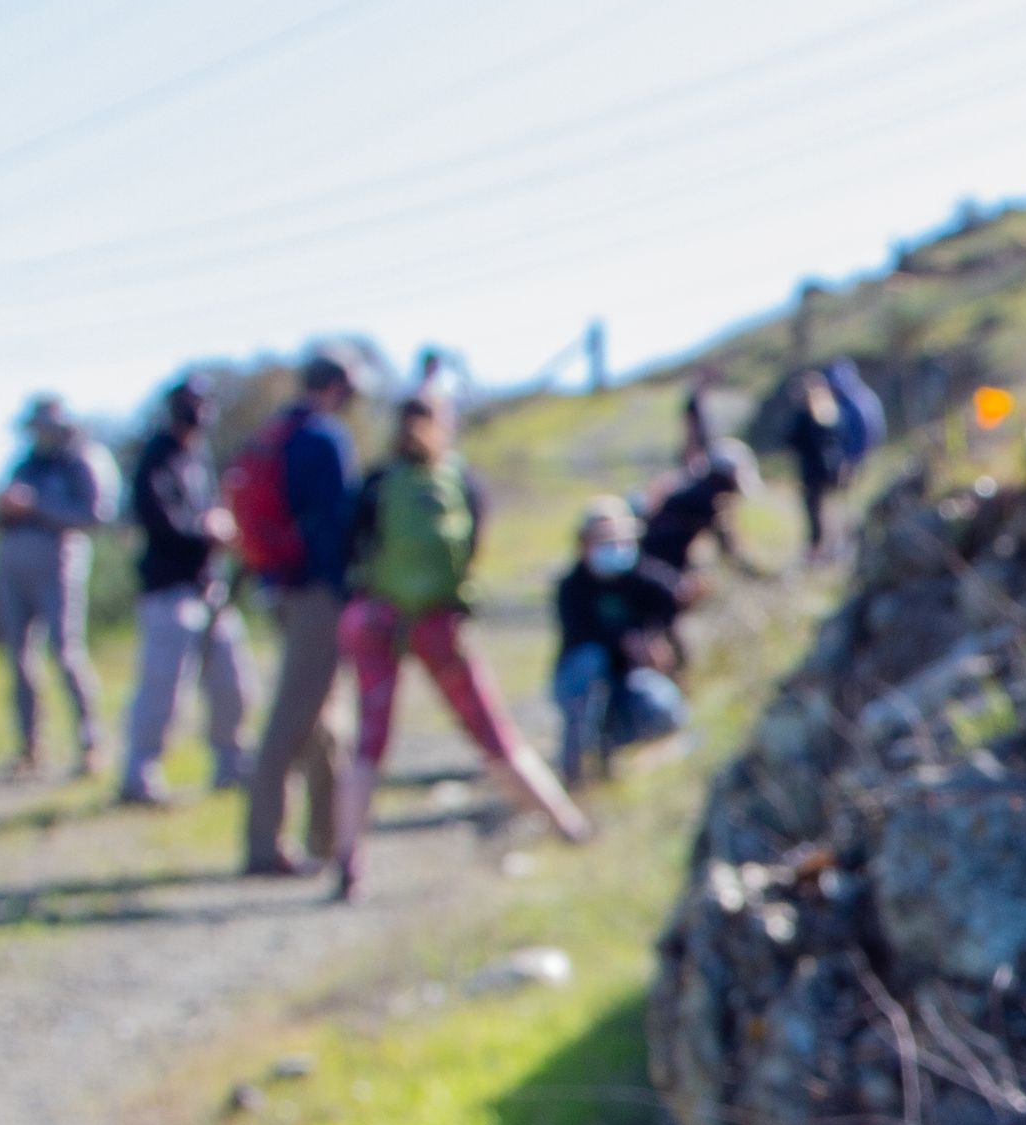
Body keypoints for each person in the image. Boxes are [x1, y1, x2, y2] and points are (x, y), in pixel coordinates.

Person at [331, 390, 590, 900]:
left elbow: (349, 551)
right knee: (493, 734)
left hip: (376, 619)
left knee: (368, 744)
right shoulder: (458, 481)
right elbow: (471, 551)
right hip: (438, 625)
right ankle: (567, 824)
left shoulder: (378, 483)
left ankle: (347, 861)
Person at [237, 347, 367, 880]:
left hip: (283, 590)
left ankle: (330, 838)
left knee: (324, 720)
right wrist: (348, 591)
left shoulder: (278, 433)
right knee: (293, 718)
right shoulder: (323, 439)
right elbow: (336, 525)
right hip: (317, 594)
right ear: (338, 384)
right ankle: (264, 845)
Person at [113, 378, 250, 806]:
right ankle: (139, 777)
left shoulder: (199, 456)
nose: (199, 413)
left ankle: (231, 765)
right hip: (170, 591)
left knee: (234, 681)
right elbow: (160, 520)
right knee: (163, 689)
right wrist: (204, 531)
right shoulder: (157, 457)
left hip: (211, 587)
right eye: (191, 404)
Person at [0, 394, 119, 779]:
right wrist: (6, 508)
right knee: (19, 659)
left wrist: (36, 506)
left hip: (59, 563)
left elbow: (94, 515)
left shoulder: (81, 460)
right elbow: (4, 512)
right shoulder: (25, 463)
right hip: (14, 566)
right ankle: (29, 747)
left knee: (66, 652)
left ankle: (91, 742)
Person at [550, 498, 690, 787]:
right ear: (584, 544)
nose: (614, 548)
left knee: (666, 708)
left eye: (620, 539)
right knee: (592, 661)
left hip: (626, 684)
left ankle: (609, 750)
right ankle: (574, 770)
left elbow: (673, 596)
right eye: (603, 540)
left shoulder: (640, 575)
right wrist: (624, 643)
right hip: (580, 682)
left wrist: (656, 638)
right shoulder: (572, 586)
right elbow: (581, 633)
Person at [638, 385, 760, 579]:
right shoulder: (706, 498)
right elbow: (724, 539)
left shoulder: (699, 490)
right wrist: (745, 568)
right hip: (661, 560)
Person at [771, 359, 881, 563]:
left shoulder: (805, 417)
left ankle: (822, 551)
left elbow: (792, 440)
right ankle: (840, 549)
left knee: (818, 513)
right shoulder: (832, 411)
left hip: (815, 473)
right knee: (837, 508)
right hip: (835, 469)